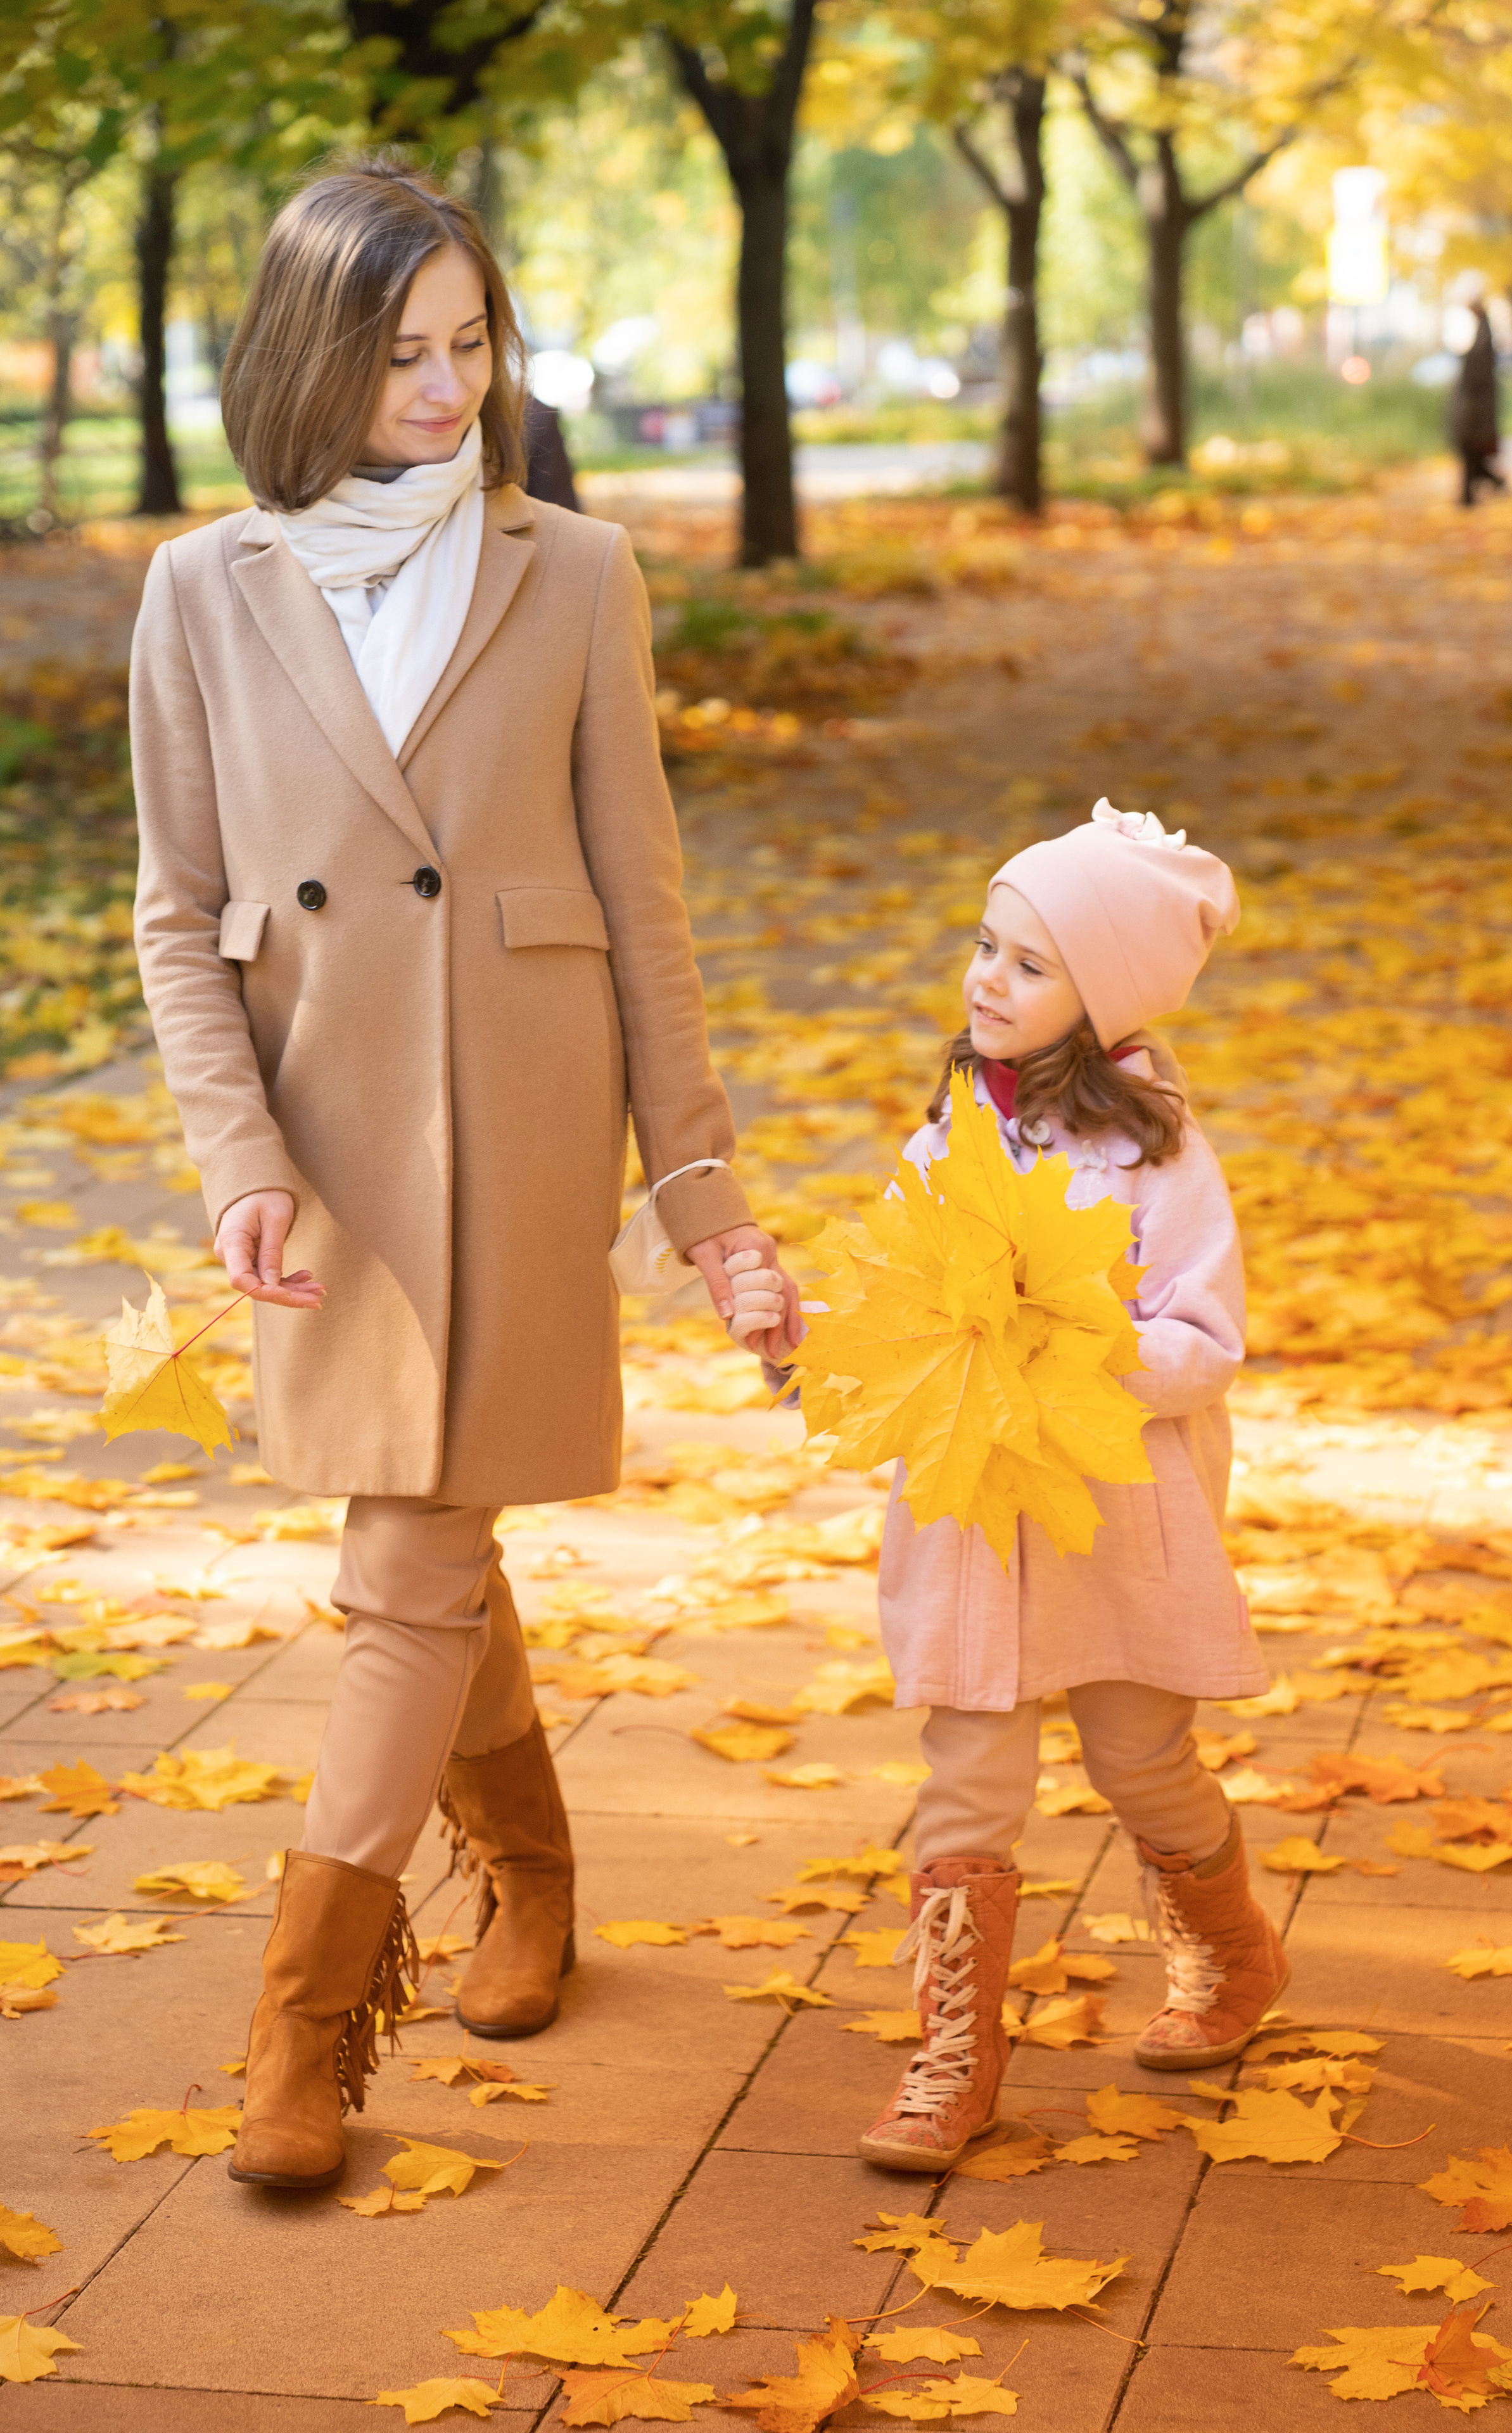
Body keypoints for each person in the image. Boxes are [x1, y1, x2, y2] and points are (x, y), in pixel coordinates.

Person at [129, 160, 799, 2193]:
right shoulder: (201, 590)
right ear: (309, 357)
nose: (446, 388)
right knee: (430, 1534)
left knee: (403, 1565)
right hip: (325, 1150)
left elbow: (642, 901)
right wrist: (237, 1158)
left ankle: (304, 2025)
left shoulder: (574, 571)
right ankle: (533, 1868)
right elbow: (175, 913)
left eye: (471, 343)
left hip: (519, 1134)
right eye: (402, 351)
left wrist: (703, 1195)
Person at [729, 802, 1279, 2172]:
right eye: (985, 945)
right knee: (969, 1771)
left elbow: (1202, 1344)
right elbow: (910, 1316)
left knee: (1138, 1756)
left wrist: (1073, 1338)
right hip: (976, 1505)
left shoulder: (1157, 1153)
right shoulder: (951, 1132)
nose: (987, 980)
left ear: (1107, 999)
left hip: (1109, 1508)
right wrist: (801, 1337)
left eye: (1031, 965)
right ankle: (953, 2057)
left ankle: (1231, 1953)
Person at [1451, 293, 1506, 508]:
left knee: (1470, 450)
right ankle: (1476, 492)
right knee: (1473, 453)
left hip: (1475, 406)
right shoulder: (1481, 333)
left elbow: (1476, 374)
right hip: (1475, 405)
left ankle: (1469, 496)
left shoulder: (1483, 336)